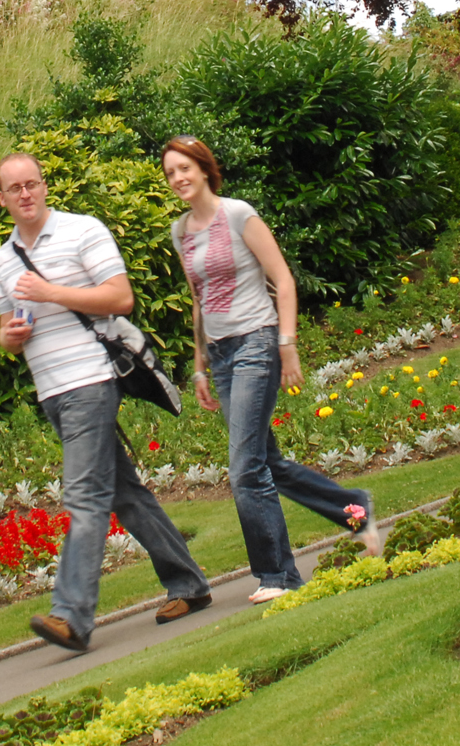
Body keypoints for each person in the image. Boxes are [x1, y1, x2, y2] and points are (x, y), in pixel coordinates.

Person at [0, 152, 211, 652]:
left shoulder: (83, 230)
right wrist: (11, 335)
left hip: (91, 379)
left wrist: (51, 291)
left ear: (44, 187)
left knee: (85, 495)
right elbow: (8, 331)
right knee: (124, 493)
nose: (25, 194)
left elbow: (120, 298)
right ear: (2, 198)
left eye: (32, 184)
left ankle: (72, 617)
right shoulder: (3, 261)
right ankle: (189, 585)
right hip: (51, 391)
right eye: (14, 188)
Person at [163, 136, 384, 601]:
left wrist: (288, 346)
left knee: (244, 469)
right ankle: (355, 509)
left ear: (204, 169)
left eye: (185, 168)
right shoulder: (180, 232)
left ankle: (278, 576)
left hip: (256, 342)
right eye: (171, 173)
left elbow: (282, 279)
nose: (179, 178)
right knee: (267, 463)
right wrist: (199, 366)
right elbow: (198, 301)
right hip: (220, 355)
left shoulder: (239, 213)